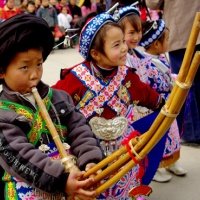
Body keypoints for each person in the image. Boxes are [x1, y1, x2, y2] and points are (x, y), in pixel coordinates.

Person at [52, 12, 165, 199]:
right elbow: (54, 104)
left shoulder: (128, 76)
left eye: (123, 41)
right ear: (95, 53)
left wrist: (163, 106)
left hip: (123, 149)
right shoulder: (75, 78)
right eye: (116, 45)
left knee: (125, 186)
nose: (124, 48)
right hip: (87, 150)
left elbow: (148, 96)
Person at [0, 14, 104, 200]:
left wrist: (91, 161)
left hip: (73, 174)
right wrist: (62, 180)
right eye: (25, 67)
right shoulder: (3, 114)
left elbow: (80, 130)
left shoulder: (58, 98)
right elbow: (20, 155)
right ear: (1, 71)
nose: (35, 74)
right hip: (31, 183)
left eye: (39, 64)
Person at [138, 19, 187, 181]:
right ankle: (157, 167)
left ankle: (172, 161)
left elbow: (167, 76)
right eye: (166, 39)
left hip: (169, 102)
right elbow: (149, 85)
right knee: (159, 136)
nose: (168, 42)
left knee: (172, 134)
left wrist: (175, 78)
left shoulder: (160, 57)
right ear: (156, 44)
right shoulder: (146, 62)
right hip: (157, 105)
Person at [145, 0, 200, 143]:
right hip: (196, 24)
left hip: (181, 30)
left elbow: (153, 3)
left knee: (183, 85)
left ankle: (192, 133)